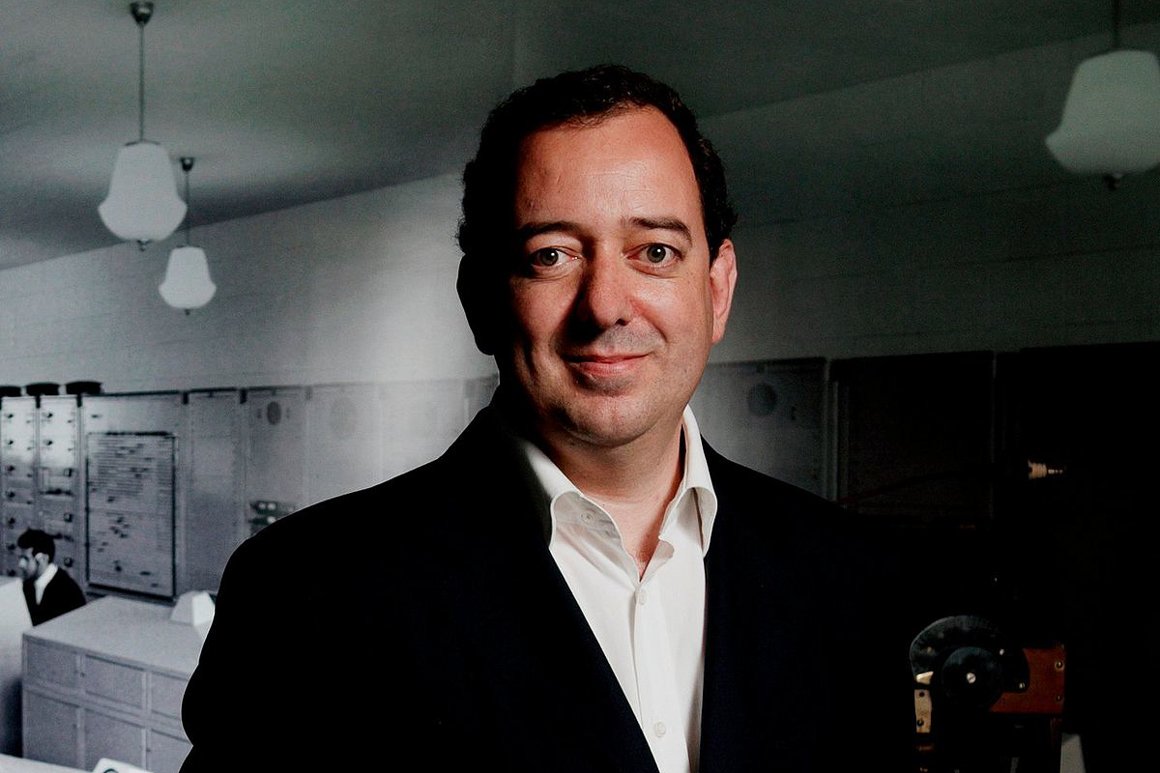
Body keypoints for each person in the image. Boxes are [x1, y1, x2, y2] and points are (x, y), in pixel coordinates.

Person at [180, 64, 924, 772]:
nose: (607, 306)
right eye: (551, 256)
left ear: (717, 288)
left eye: (655, 251)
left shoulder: (856, 577)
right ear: (479, 300)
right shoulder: (307, 593)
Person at [17, 528, 86, 626]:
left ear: (42, 559)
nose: (20, 564)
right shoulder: (27, 585)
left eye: (26, 559)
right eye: (20, 558)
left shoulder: (68, 591)